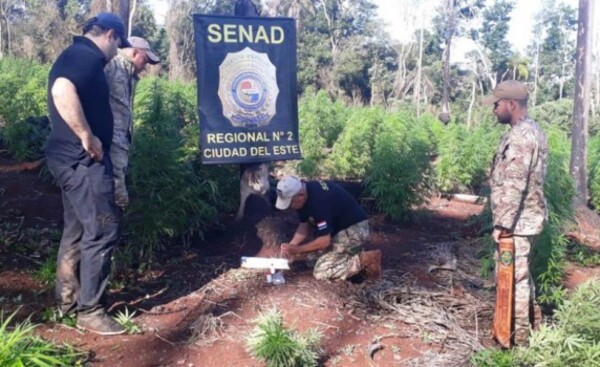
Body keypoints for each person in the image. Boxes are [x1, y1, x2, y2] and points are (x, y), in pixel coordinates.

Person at [45, 13, 131, 336]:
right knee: (102, 230)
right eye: (117, 45)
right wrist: (87, 136)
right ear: (110, 35)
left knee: (78, 231)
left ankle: (67, 304)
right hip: (82, 161)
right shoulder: (87, 57)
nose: (115, 53)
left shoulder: (74, 53)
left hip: (68, 160)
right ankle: (91, 311)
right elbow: (62, 89)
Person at [483, 80, 548, 345]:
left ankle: (519, 342)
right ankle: (532, 331)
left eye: (496, 105)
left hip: (517, 224)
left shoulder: (522, 136)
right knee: (520, 277)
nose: (494, 110)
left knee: (515, 281)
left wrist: (502, 225)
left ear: (512, 104)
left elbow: (515, 182)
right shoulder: (529, 131)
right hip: (523, 221)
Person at [276, 176, 382, 281]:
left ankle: (364, 260)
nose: (290, 206)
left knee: (322, 272)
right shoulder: (306, 192)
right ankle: (346, 254)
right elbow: (305, 224)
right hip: (337, 229)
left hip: (354, 230)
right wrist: (292, 246)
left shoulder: (318, 203)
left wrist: (298, 250)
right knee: (311, 260)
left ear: (300, 195)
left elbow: (324, 241)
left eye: (290, 202)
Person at [105, 36, 160, 208]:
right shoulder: (112, 65)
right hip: (108, 142)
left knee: (115, 193)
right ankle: (108, 228)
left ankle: (110, 226)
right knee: (113, 196)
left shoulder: (127, 72)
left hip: (119, 144)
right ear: (135, 52)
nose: (145, 67)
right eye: (145, 60)